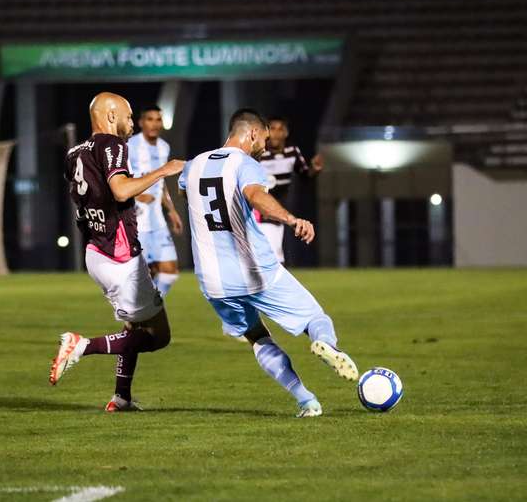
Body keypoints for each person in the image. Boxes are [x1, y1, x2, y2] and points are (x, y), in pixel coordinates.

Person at [178, 108, 357, 418]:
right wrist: (291, 218)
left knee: (257, 337)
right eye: (264, 138)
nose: (265, 144)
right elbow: (255, 195)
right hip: (256, 270)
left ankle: (307, 401)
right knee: (316, 318)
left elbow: (187, 194)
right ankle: (326, 343)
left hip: (214, 282)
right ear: (251, 134)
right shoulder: (245, 164)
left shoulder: (193, 165)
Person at [49, 92, 184, 412]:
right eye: (127, 115)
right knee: (158, 336)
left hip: (96, 251)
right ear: (111, 117)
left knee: (134, 328)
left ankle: (121, 397)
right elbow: (120, 189)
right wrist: (163, 171)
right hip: (120, 253)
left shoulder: (74, 153)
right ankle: (81, 345)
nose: (129, 122)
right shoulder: (112, 145)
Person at [127, 106, 183, 297]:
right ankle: (140, 318)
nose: (154, 123)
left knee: (169, 272)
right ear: (141, 122)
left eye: (158, 119)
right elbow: (117, 180)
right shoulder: (130, 147)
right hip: (137, 221)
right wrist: (135, 193)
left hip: (158, 221)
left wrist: (172, 210)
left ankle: (149, 310)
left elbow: (162, 182)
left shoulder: (163, 147)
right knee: (144, 275)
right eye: (150, 119)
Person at [255, 116, 323, 264]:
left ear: (286, 133)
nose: (276, 133)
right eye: (272, 129)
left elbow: (305, 175)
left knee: (275, 249)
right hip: (262, 208)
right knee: (273, 252)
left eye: (280, 129)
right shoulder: (259, 153)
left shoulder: (292, 152)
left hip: (281, 206)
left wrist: (314, 169)